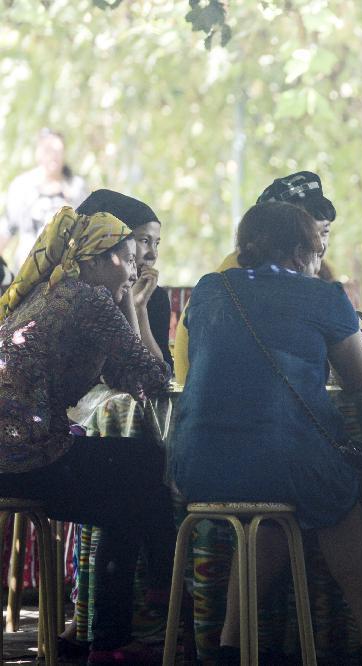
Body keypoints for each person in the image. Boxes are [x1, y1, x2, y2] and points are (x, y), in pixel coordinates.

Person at [170, 202, 362, 665]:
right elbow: (358, 380)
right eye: (314, 251)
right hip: (281, 457)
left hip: (196, 464)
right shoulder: (324, 296)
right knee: (338, 500)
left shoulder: (210, 290)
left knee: (270, 509)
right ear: (298, 252)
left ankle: (232, 643)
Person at [0, 206, 174, 664]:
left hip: (11, 459)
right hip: (28, 459)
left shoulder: (52, 292)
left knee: (128, 497)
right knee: (148, 466)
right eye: (127, 258)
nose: (136, 270)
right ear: (95, 260)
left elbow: (124, 376)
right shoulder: (90, 299)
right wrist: (135, 308)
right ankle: (162, 590)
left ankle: (114, 637)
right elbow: (152, 380)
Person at [173, 171, 335, 384]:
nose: (318, 246)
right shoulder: (241, 285)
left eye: (324, 232)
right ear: (276, 236)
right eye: (308, 234)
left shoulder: (239, 276)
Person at [77, 189, 172, 367]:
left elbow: (160, 375)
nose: (153, 254)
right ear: (107, 243)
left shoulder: (154, 297)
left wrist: (139, 308)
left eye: (156, 243)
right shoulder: (81, 298)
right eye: (144, 240)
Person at [1, 128, 89, 271]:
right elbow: (6, 229)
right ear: (38, 153)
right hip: (26, 273)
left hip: (65, 273)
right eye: (48, 150)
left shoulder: (76, 187)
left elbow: (87, 231)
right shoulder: (22, 186)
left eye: (58, 151)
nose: (54, 156)